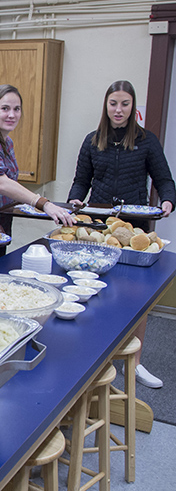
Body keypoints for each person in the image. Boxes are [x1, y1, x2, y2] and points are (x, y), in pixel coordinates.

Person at [68, 80, 176, 389]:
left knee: (135, 294)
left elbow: (164, 179)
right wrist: (75, 199)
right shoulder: (92, 140)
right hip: (100, 224)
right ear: (106, 105)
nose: (118, 110)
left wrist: (168, 199)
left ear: (133, 107)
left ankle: (135, 362)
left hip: (135, 226)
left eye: (125, 104)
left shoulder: (146, 141)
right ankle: (95, 354)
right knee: (97, 288)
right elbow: (81, 181)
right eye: (113, 103)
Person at [0, 84, 74, 273]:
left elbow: (9, 185)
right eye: (5, 108)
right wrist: (44, 203)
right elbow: (0, 182)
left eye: (16, 109)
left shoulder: (6, 142)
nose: (12, 115)